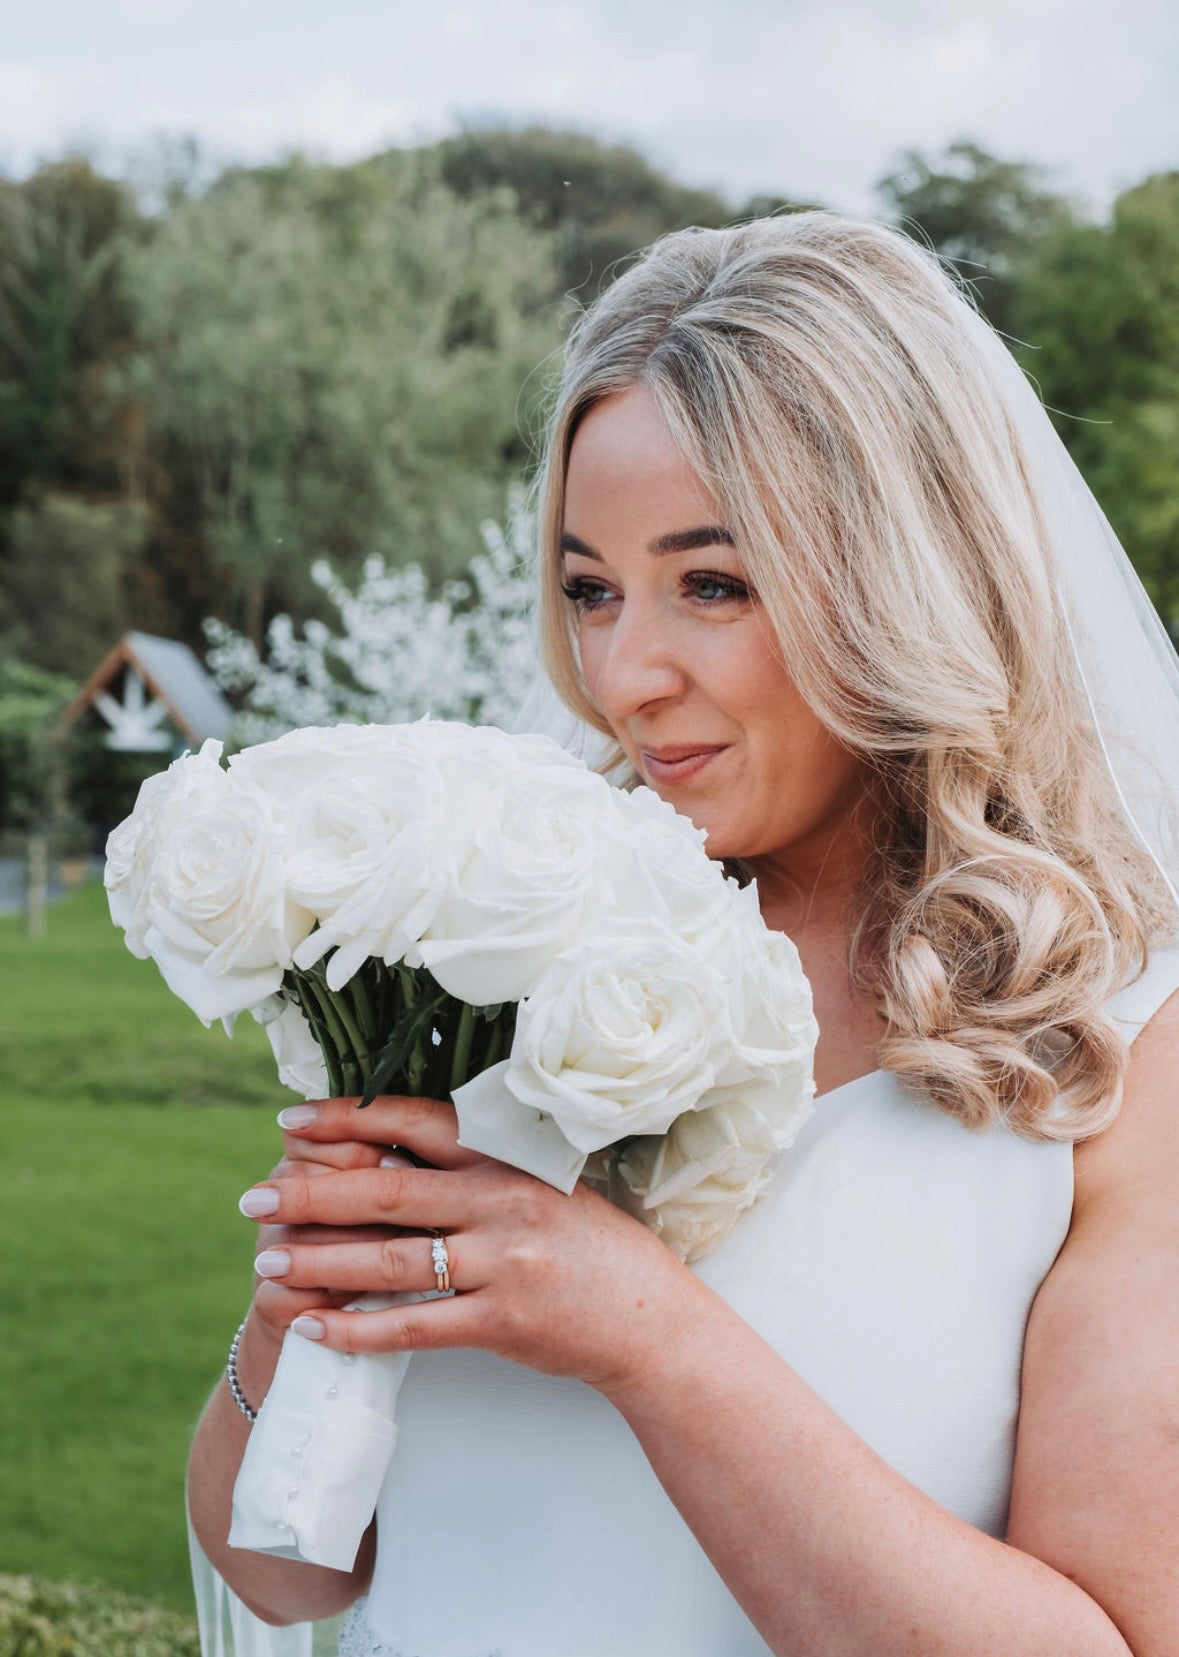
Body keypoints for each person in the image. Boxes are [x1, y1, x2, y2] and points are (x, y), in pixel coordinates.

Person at [186, 210, 1179, 1656]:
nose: (623, 675)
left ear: (908, 575)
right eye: (592, 589)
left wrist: (645, 1335)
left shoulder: (1122, 1046)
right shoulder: (502, 948)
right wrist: (297, 1323)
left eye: (713, 582)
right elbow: (288, 1574)